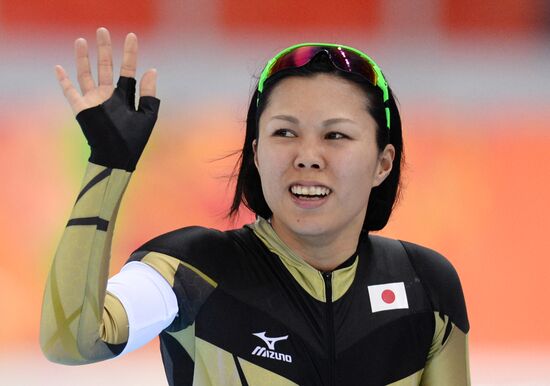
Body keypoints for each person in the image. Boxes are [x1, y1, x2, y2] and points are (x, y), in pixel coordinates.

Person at [40, 27, 470, 386]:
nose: (307, 156)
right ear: (258, 154)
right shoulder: (191, 270)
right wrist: (109, 164)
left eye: (335, 136)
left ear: (383, 163)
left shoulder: (426, 284)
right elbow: (70, 341)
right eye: (285, 133)